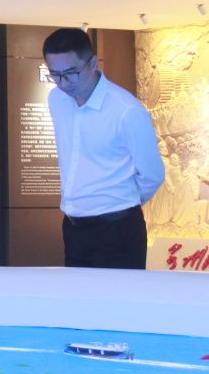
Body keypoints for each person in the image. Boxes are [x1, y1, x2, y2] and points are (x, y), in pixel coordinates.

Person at [43, 28, 165, 268]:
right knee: (77, 293)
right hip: (74, 227)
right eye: (55, 74)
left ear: (92, 63)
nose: (63, 83)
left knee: (120, 293)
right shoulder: (57, 99)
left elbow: (153, 174)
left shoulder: (126, 110)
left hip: (117, 229)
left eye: (70, 73)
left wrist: (119, 201)